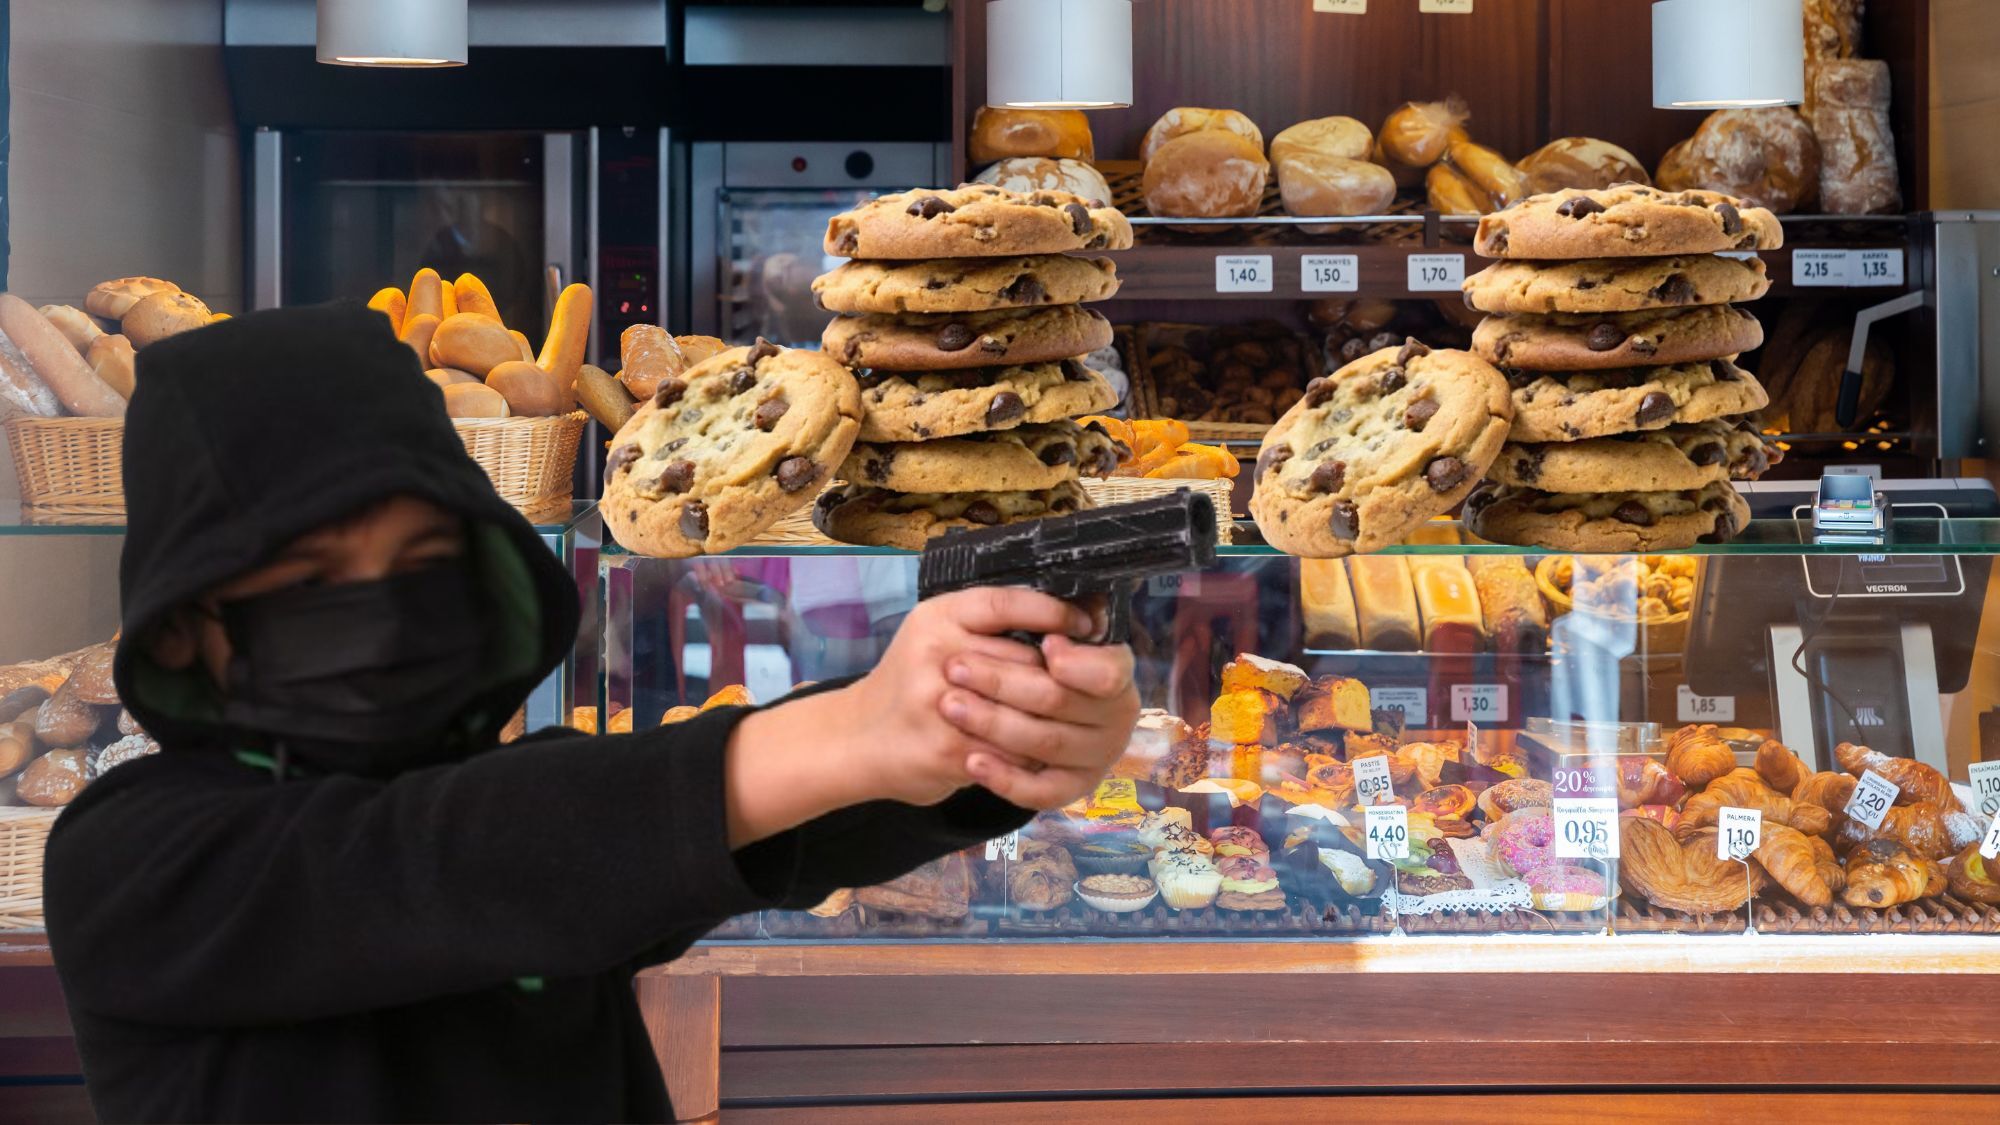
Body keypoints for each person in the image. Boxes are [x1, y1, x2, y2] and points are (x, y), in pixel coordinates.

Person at [42, 303, 1139, 1122]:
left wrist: (978, 729)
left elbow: (734, 831)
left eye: (424, 560)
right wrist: (865, 728)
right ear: (190, 630)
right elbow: (461, 861)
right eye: (316, 576)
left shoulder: (526, 809)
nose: (386, 607)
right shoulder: (134, 860)